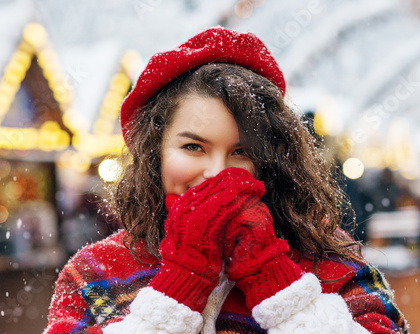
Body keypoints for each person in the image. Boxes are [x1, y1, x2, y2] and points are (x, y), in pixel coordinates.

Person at [43, 27, 408, 334]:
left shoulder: (331, 259)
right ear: (156, 152)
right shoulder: (95, 271)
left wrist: (274, 276)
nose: (217, 174)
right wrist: (180, 284)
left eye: (241, 152)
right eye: (193, 147)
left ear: (270, 162)